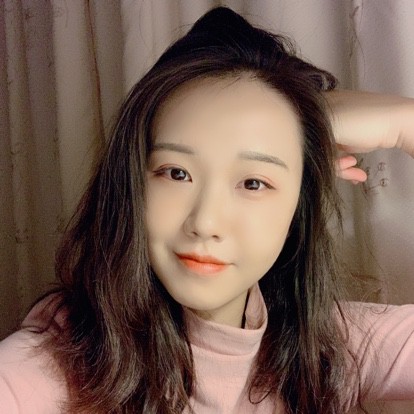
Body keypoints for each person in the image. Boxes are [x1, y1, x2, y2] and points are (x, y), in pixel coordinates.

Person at [0, 6, 413, 414]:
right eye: (176, 173)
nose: (205, 222)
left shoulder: (329, 349)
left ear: (296, 210)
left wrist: (402, 124)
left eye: (253, 183)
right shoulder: (47, 373)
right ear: (131, 184)